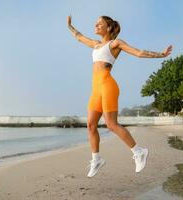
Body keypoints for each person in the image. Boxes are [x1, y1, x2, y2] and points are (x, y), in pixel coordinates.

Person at [67, 15, 172, 178]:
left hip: (108, 86)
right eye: (96, 23)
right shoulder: (95, 45)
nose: (96, 25)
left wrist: (162, 54)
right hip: (96, 89)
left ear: (108, 27)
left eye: (99, 23)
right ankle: (96, 159)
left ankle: (139, 152)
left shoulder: (115, 44)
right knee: (90, 125)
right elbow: (79, 37)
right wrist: (70, 25)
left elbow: (139, 53)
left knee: (111, 124)